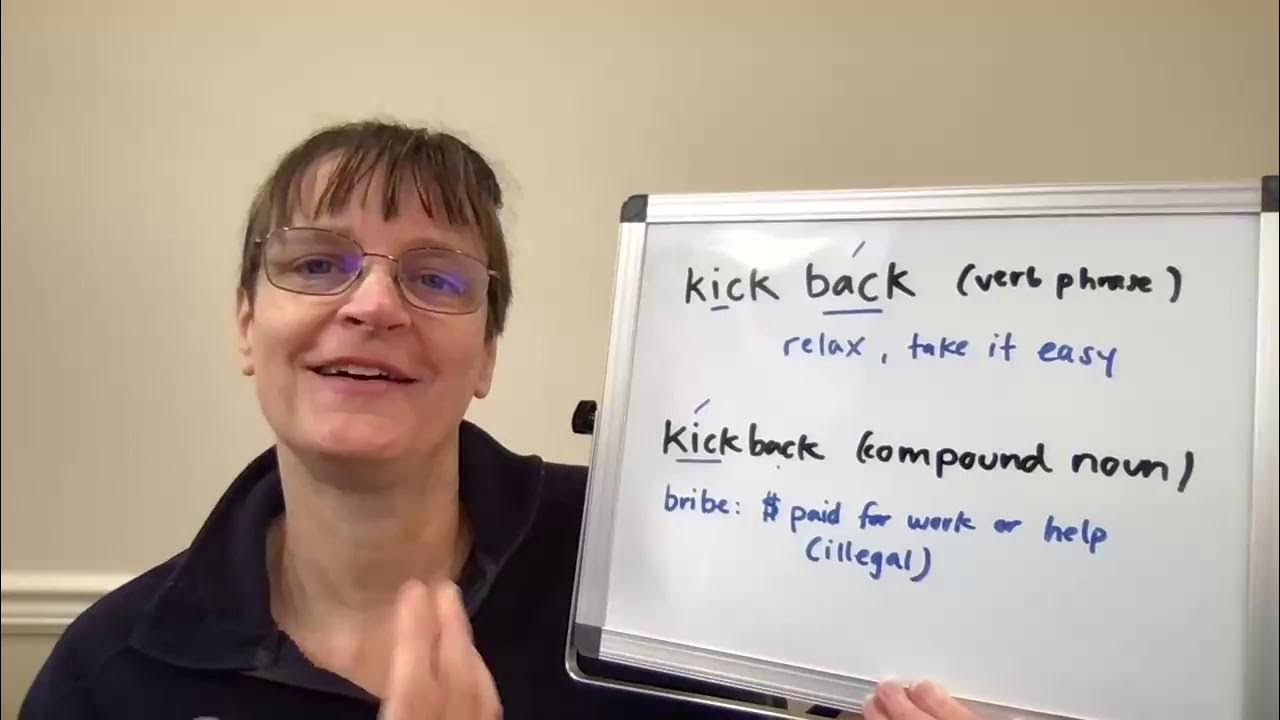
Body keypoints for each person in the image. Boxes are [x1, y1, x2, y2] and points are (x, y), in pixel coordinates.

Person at [19, 120, 980, 720]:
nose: (373, 305)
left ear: (485, 357)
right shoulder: (111, 672)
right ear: (245, 325)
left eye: (436, 278)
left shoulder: (663, 576)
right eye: (316, 264)